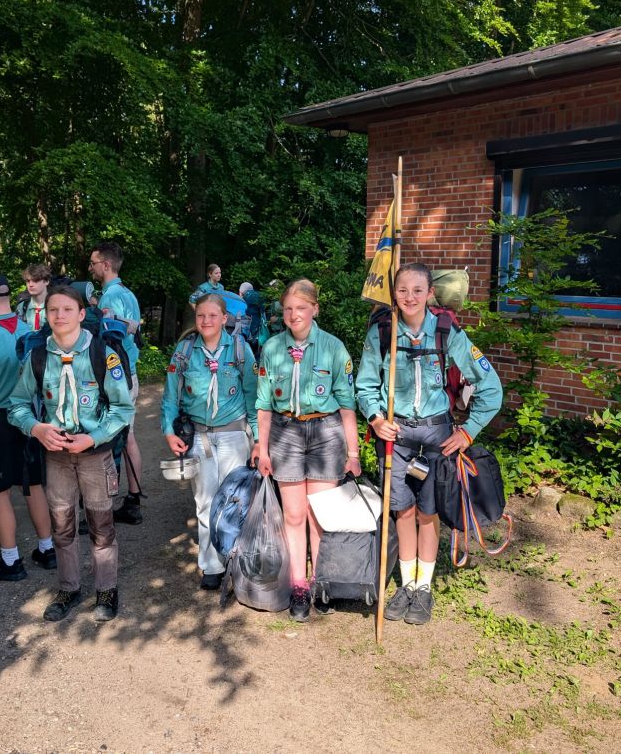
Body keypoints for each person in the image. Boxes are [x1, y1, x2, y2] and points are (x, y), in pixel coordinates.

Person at [356, 262, 503, 626]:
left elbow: (490, 386)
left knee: (428, 512)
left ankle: (424, 588)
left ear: (430, 293)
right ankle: (406, 585)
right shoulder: (382, 331)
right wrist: (376, 419)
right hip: (396, 437)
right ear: (394, 293)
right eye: (402, 290)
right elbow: (365, 385)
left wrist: (468, 431)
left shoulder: (446, 331)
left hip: (437, 436)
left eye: (417, 290)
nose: (409, 297)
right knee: (403, 512)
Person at [8, 285, 134, 623]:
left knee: (101, 526)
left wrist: (92, 438)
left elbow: (123, 409)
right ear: (46, 316)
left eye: (67, 309)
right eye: (53, 310)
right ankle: (69, 587)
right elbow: (17, 405)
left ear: (81, 314)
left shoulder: (102, 354)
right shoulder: (37, 358)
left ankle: (106, 589)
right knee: (62, 526)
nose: (59, 315)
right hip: (57, 458)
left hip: (94, 455)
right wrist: (37, 428)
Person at [255, 278, 361, 622]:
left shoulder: (333, 347)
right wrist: (262, 448)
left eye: (301, 307)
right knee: (293, 514)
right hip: (285, 433)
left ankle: (322, 581)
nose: (293, 314)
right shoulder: (272, 348)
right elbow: (263, 405)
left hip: (325, 433)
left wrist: (353, 453)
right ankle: (298, 585)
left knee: (319, 515)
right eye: (287, 308)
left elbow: (347, 405)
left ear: (315, 309)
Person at [161, 293, 258, 590]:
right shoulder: (185, 351)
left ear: (225, 318)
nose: (206, 321)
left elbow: (253, 397)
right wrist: (169, 431)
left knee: (235, 500)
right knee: (204, 501)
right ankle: (212, 565)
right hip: (199, 436)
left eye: (213, 315)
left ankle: (235, 559)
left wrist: (257, 439)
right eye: (201, 315)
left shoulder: (240, 350)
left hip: (233, 434)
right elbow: (170, 397)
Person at [0, 272, 55, 582]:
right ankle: (47, 549)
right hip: (31, 417)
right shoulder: (32, 331)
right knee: (33, 484)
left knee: (1, 491)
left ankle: (10, 560)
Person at [89, 242, 145, 525]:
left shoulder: (111, 296)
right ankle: (133, 500)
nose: (90, 268)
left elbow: (108, 338)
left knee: (112, 440)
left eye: (93, 263)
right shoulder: (127, 293)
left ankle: (104, 506)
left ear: (106, 265)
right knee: (128, 436)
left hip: (116, 376)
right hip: (129, 372)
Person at [17, 263, 52, 333]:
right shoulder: (22, 307)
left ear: (46, 281)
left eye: (35, 280)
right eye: (28, 281)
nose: (30, 285)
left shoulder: (56, 305)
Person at [238, 282, 263, 358]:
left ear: (241, 291)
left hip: (246, 326)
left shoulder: (243, 299)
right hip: (258, 326)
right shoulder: (260, 296)